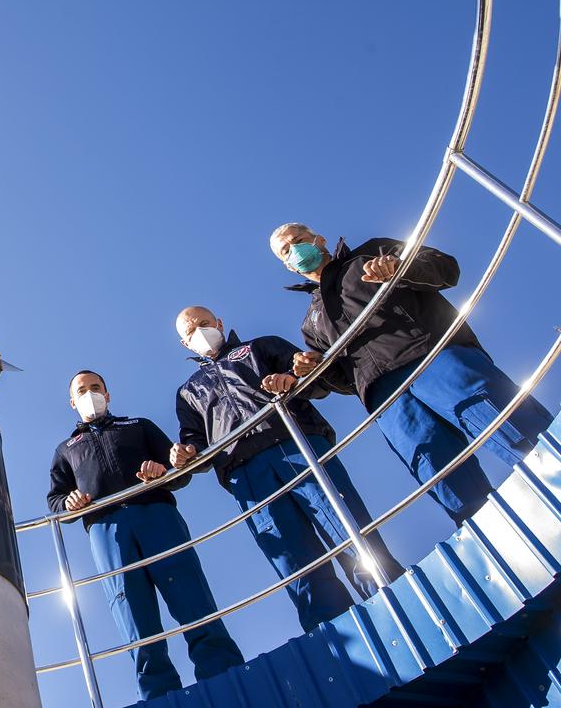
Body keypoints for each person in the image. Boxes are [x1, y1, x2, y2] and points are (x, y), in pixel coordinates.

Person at [270, 223, 555, 524]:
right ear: (287, 265)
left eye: (298, 240)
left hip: (434, 357)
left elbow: (446, 268)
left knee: (509, 424)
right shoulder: (312, 322)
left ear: (319, 239)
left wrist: (400, 267)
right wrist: (317, 369)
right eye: (286, 251)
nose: (295, 250)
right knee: (441, 475)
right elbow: (345, 381)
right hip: (386, 400)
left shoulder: (372, 250)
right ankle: (510, 549)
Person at [170, 306, 404, 632]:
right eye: (191, 331)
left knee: (350, 532)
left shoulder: (261, 346)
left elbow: (316, 382)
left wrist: (294, 378)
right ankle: (340, 638)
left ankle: (399, 605)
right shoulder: (189, 391)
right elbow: (195, 444)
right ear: (185, 344)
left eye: (205, 323)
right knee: (296, 565)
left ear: (220, 323)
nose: (200, 332)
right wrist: (184, 453)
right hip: (246, 476)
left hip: (298, 446)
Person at [46, 370, 243, 702]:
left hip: (156, 514)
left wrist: (163, 470)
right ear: (72, 402)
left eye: (96, 388)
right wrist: (69, 501)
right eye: (82, 391)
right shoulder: (66, 449)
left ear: (108, 395)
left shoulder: (138, 425)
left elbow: (178, 467)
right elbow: (55, 500)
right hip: (106, 529)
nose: (90, 394)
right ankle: (160, 696)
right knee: (135, 619)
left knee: (192, 599)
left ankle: (226, 680)